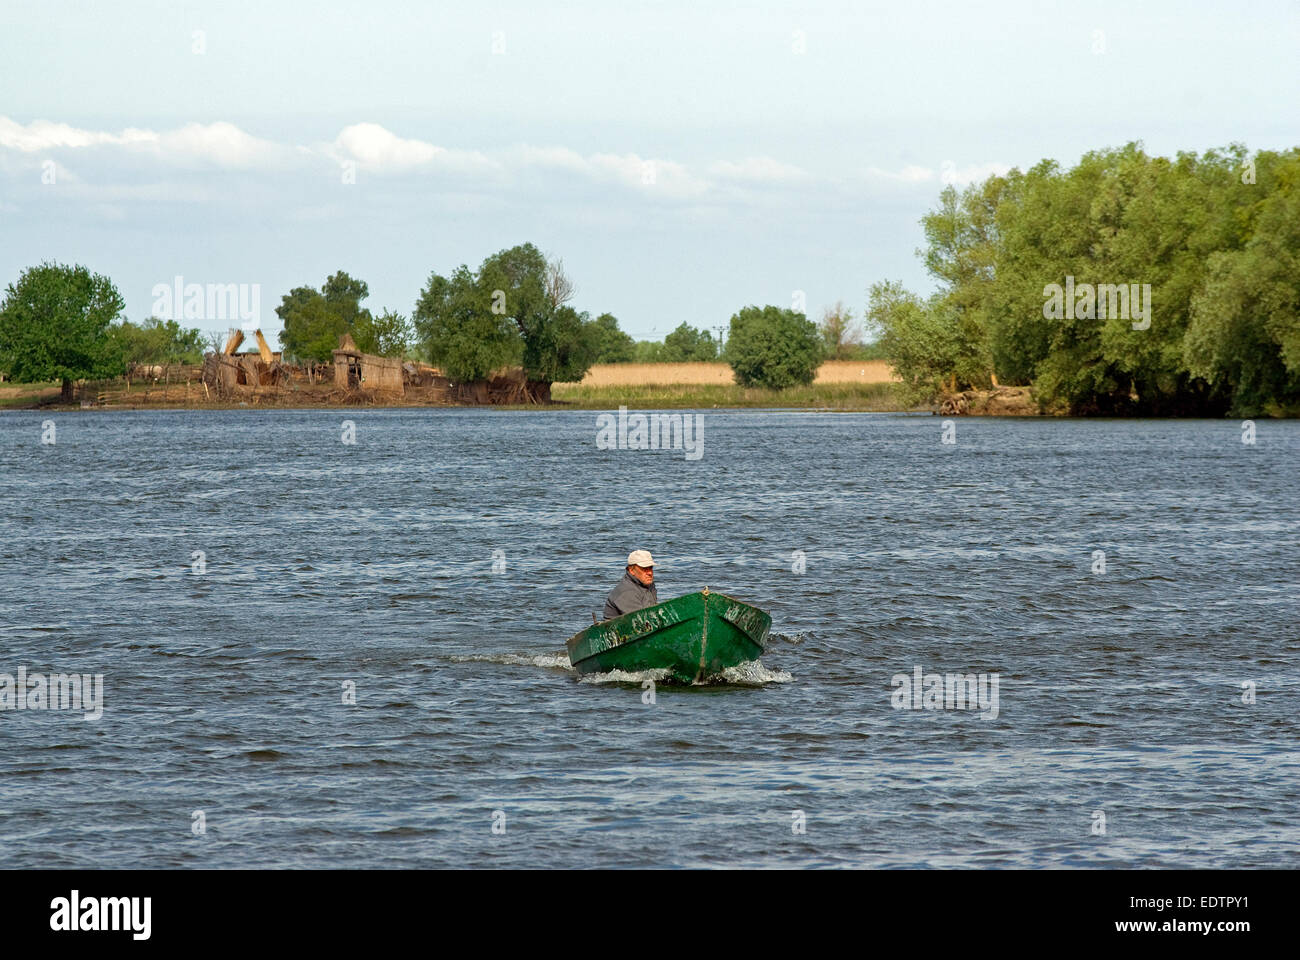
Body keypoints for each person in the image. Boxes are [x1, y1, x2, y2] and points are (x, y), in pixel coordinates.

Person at [602, 550, 659, 621]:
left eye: (650, 568)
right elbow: (640, 621)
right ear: (631, 570)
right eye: (644, 569)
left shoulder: (649, 584)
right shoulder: (627, 591)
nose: (650, 573)